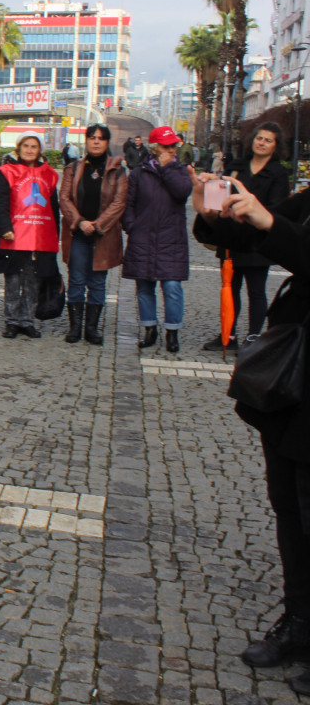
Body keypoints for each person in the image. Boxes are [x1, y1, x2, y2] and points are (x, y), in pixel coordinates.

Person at [190, 172, 310, 697]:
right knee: (289, 502)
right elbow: (258, 232)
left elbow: (281, 232)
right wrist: (217, 213)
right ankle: (299, 621)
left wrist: (268, 221)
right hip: (295, 379)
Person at [201, 122, 290, 351]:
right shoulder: (237, 166)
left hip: (258, 240)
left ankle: (253, 337)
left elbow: (278, 206)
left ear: (275, 146)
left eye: (268, 140)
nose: (262, 143)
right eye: (259, 138)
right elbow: (220, 196)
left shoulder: (278, 172)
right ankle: (228, 335)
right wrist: (212, 193)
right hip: (232, 237)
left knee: (256, 291)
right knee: (230, 287)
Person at [121, 125, 192, 353]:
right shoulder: (138, 173)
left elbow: (182, 192)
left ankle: (172, 332)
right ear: (154, 147)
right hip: (143, 236)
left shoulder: (180, 170)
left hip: (171, 239)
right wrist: (131, 226)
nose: (171, 149)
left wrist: (167, 168)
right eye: (166, 146)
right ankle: (149, 328)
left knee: (172, 286)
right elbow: (128, 204)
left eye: (173, 145)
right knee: (144, 287)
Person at [58, 123, 128, 345]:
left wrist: (97, 224)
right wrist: (79, 222)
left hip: (104, 235)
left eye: (101, 138)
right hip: (78, 233)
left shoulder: (118, 170)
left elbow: (119, 202)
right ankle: (75, 327)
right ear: (86, 141)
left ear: (107, 142)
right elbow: (65, 198)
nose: (96, 141)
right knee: (76, 280)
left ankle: (92, 328)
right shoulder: (73, 168)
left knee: (98, 282)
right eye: (92, 137)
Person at [0, 132, 60, 339]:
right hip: (14, 235)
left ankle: (27, 320)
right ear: (19, 148)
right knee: (12, 280)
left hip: (39, 236)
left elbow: (53, 207)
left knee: (33, 281)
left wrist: (56, 233)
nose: (29, 150)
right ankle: (11, 321)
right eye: (26, 146)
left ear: (39, 151)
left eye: (34, 146)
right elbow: (0, 202)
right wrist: (4, 228)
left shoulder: (49, 175)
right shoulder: (7, 172)